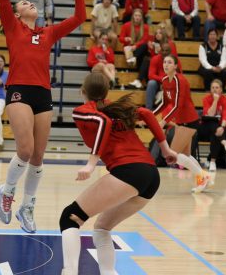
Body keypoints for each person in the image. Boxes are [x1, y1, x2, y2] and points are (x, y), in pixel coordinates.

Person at [0, 0, 85, 234]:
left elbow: (80, 17)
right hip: (19, 90)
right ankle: (7, 193)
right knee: (24, 149)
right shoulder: (12, 27)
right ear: (17, 13)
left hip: (43, 93)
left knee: (37, 156)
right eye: (24, 3)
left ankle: (27, 206)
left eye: (32, 2)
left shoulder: (48, 33)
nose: (29, 3)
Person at [64, 72, 177, 275]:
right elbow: (147, 114)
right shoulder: (116, 108)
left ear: (83, 91)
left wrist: (91, 163)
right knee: (102, 228)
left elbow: (103, 123)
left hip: (129, 171)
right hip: (151, 175)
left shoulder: (83, 111)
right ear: (107, 92)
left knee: (70, 218)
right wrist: (166, 149)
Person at [154, 55, 212, 193]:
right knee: (185, 155)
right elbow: (165, 103)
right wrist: (151, 114)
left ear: (175, 66)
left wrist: (163, 121)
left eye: (169, 62)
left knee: (174, 155)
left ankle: (202, 177)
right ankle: (203, 177)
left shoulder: (180, 80)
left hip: (190, 120)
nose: (166, 65)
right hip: (181, 121)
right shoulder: (164, 80)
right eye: (164, 62)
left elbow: (177, 106)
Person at [201, 79, 226, 172]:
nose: (215, 90)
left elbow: (225, 116)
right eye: (212, 88)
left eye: (217, 88)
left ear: (221, 90)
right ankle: (225, 144)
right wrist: (215, 100)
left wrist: (222, 127)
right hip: (207, 125)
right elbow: (211, 114)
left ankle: (212, 162)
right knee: (213, 124)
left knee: (215, 134)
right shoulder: (206, 99)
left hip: (221, 126)